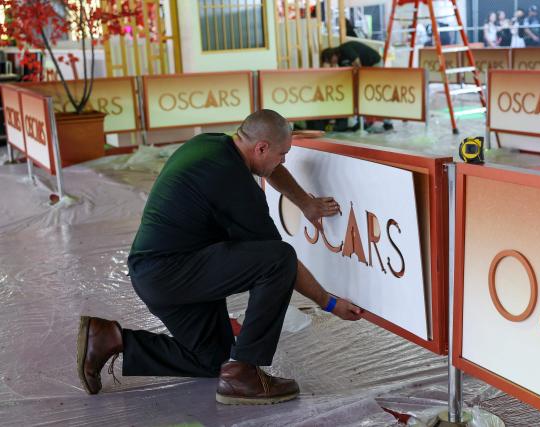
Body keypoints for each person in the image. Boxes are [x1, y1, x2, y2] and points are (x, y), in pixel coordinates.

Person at [76, 109, 363, 405]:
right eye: (282, 153)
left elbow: (270, 167)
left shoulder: (213, 144)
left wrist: (306, 204)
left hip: (159, 271)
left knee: (210, 360)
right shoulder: (233, 182)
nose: (284, 161)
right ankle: (244, 373)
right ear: (261, 147)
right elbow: (280, 264)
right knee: (279, 259)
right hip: (171, 274)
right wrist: (327, 301)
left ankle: (109, 338)